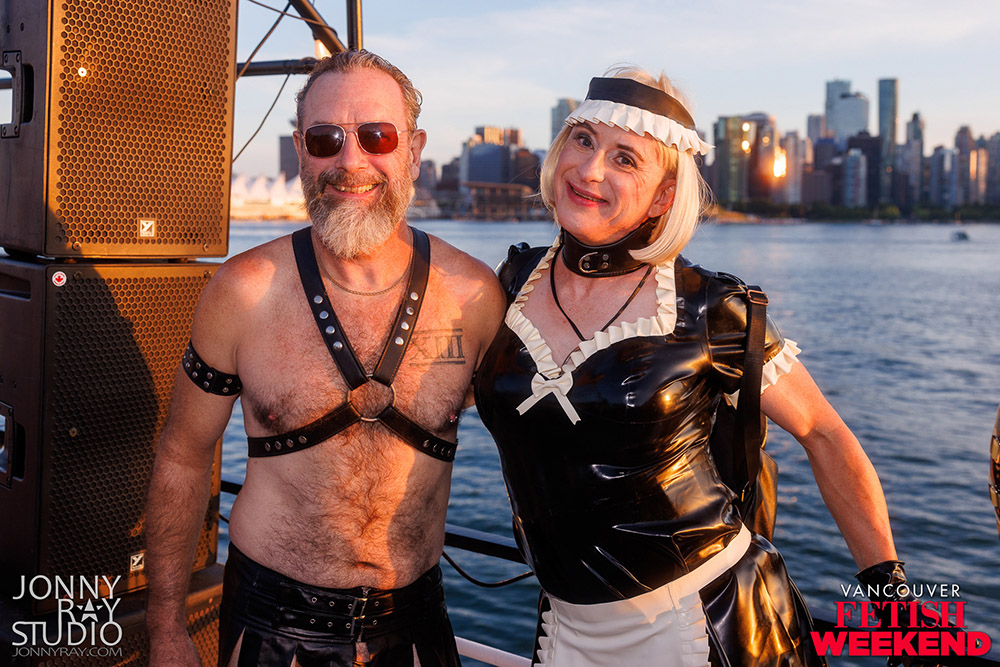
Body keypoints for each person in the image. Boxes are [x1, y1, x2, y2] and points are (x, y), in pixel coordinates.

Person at [473, 68, 911, 666]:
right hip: (563, 629)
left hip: (706, 623)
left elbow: (823, 432)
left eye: (625, 159)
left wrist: (895, 604)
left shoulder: (712, 308)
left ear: (662, 197)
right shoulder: (505, 287)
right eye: (583, 140)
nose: (590, 169)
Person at [145, 50, 505, 667]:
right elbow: (182, 457)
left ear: (414, 151)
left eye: (377, 136)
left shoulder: (473, 297)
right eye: (325, 139)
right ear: (300, 151)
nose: (350, 161)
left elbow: (535, 453)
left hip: (417, 623)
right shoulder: (243, 293)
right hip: (269, 624)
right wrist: (166, 632)